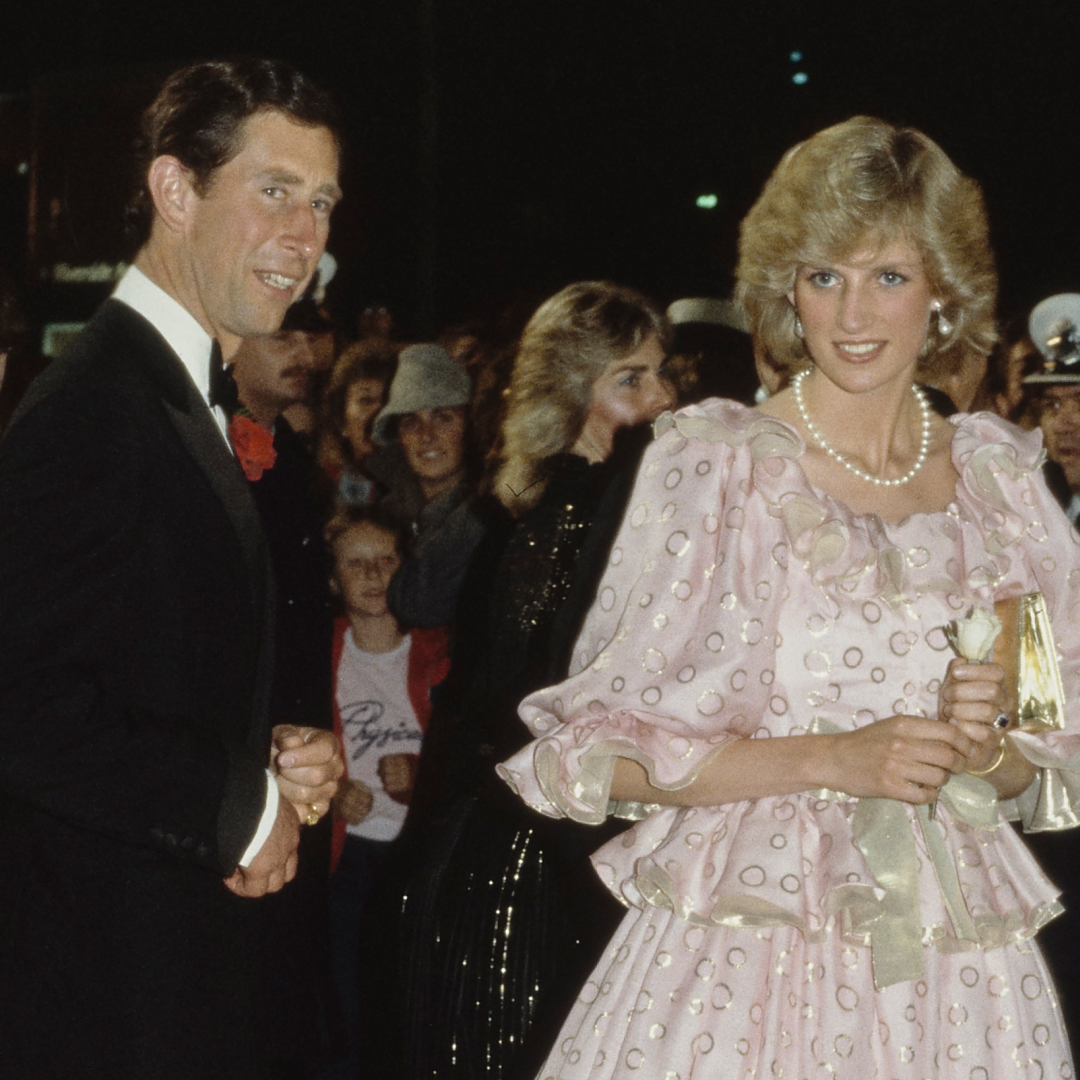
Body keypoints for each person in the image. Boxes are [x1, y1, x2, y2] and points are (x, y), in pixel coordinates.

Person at [499, 118, 1080, 1079]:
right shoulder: (715, 466)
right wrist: (838, 758)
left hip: (955, 973)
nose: (853, 314)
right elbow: (614, 758)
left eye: (888, 277)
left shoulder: (1001, 486)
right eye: (824, 277)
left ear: (942, 292)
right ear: (786, 289)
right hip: (746, 952)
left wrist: (988, 755)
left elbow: (1039, 740)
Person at [0, 58, 345, 1080]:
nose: (305, 236)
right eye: (274, 190)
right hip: (104, 993)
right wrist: (236, 806)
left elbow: (128, 659)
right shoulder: (91, 409)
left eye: (322, 202)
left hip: (168, 972)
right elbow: (20, 699)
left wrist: (268, 760)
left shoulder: (167, 392)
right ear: (175, 190)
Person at [399, 281, 675, 1080]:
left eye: (661, 371)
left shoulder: (566, 509)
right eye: (630, 378)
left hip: (522, 847)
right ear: (572, 397)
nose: (661, 396)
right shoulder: (574, 519)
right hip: (529, 871)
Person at [323, 504, 450, 1079]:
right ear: (332, 581)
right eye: (356, 564)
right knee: (345, 1012)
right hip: (348, 860)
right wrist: (329, 792)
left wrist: (421, 778)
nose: (374, 575)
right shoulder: (319, 657)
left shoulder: (440, 653)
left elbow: (481, 759)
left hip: (420, 862)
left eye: (387, 560)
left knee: (417, 1011)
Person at [369, 342, 485, 627]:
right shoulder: (380, 519)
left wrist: (490, 502)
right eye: (411, 422)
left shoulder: (494, 504)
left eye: (443, 417)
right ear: (398, 437)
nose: (427, 435)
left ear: (469, 427)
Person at [317, 337, 397, 505]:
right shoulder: (322, 490)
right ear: (341, 421)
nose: (379, 412)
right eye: (366, 400)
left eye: (388, 399)